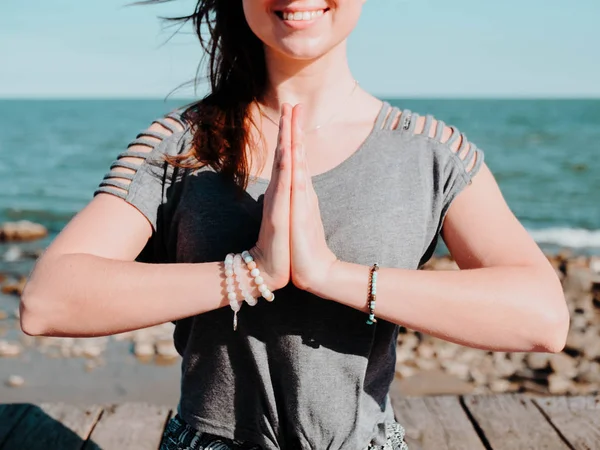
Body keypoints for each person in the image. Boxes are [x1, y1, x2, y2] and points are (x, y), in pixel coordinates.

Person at [20, 1, 570, 449]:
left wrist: (329, 274)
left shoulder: (430, 152)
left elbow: (542, 317)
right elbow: (48, 301)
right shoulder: (177, 148)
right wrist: (252, 270)